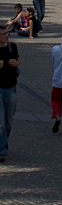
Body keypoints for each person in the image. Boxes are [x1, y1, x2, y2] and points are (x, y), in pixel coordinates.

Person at [0, 24, 19, 162]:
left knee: (8, 122)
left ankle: (2, 142)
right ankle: (2, 150)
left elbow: (19, 60)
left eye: (8, 33)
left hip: (11, 87)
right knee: (0, 123)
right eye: (4, 34)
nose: (7, 36)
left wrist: (16, 63)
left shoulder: (12, 47)